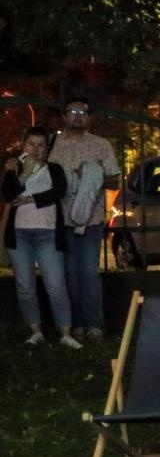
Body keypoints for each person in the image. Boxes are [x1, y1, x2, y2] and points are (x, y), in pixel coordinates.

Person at [47, 96, 120, 341]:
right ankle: (76, 323)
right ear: (64, 116)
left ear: (89, 117)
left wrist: (94, 174)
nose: (78, 116)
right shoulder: (53, 144)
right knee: (69, 272)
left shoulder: (101, 145)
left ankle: (95, 324)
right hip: (60, 218)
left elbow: (115, 180)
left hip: (90, 219)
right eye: (73, 111)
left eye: (83, 112)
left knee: (88, 270)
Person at [4, 127, 79, 348]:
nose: (35, 149)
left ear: (46, 148)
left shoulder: (54, 169)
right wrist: (24, 173)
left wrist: (29, 200)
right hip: (19, 233)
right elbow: (8, 194)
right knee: (25, 285)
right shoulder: (13, 167)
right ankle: (35, 330)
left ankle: (65, 332)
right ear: (23, 145)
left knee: (55, 284)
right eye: (31, 144)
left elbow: (59, 191)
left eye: (40, 145)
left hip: (47, 232)